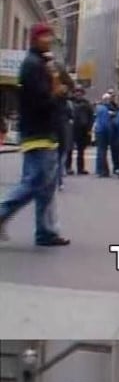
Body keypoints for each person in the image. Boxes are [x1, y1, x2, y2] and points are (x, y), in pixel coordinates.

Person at [0, 23, 70, 246]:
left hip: (44, 132)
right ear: (35, 39)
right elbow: (39, 101)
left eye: (50, 36)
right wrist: (57, 93)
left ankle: (46, 231)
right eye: (44, 36)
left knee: (46, 186)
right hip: (38, 133)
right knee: (35, 182)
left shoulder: (42, 63)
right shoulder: (33, 65)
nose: (49, 40)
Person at [94, 94, 113, 177]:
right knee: (102, 151)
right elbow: (105, 123)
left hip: (98, 130)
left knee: (100, 151)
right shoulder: (105, 110)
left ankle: (99, 169)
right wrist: (109, 132)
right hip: (103, 131)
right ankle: (103, 170)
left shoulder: (99, 108)